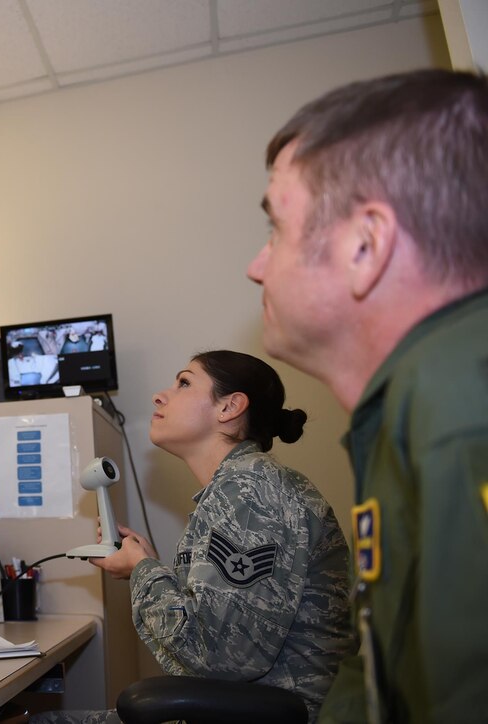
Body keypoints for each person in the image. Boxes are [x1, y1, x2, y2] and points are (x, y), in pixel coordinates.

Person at [246, 68, 488, 723]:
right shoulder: (416, 402)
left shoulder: (459, 410)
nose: (256, 266)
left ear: (364, 246)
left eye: (276, 229)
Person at [32, 351, 353, 724]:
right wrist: (149, 565)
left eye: (184, 383)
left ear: (229, 407)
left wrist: (142, 570)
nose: (159, 395)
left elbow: (220, 657)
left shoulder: (251, 491)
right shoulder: (239, 488)